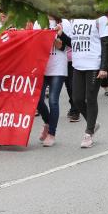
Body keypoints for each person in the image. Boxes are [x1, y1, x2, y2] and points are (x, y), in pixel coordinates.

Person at [61, 15, 108, 148]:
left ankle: (89, 133)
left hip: (94, 64)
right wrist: (61, 34)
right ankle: (93, 123)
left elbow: (105, 43)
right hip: (78, 65)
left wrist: (104, 67)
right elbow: (73, 42)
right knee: (77, 99)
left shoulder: (100, 18)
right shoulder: (75, 19)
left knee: (90, 98)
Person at [37, 17, 71, 147]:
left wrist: (61, 43)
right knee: (38, 100)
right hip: (42, 66)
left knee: (53, 100)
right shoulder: (38, 22)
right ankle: (47, 122)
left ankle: (51, 133)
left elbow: (72, 43)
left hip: (58, 67)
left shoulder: (64, 22)